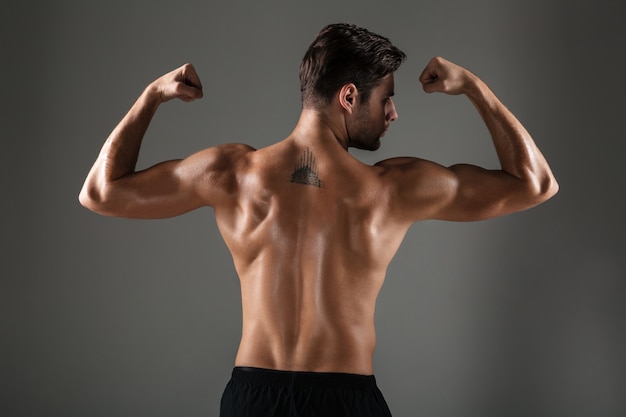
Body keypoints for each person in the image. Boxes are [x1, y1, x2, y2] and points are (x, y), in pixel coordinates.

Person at [79, 23, 558, 417]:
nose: (393, 113)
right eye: (384, 98)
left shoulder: (234, 174)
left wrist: (151, 96)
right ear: (348, 97)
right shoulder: (390, 189)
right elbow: (535, 183)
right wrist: (475, 88)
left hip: (253, 400)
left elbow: (101, 192)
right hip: (344, 401)